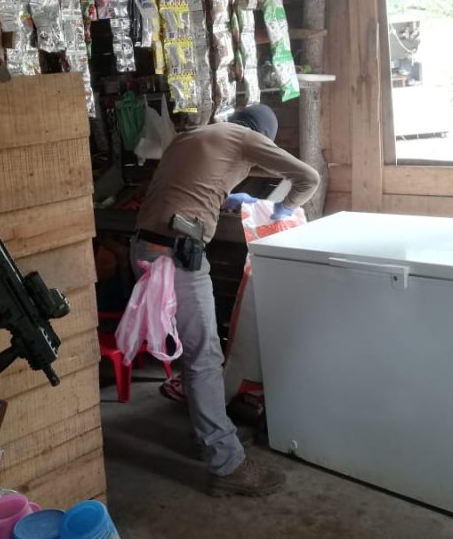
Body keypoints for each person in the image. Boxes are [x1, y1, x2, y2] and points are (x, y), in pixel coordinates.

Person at [132, 103, 320, 497]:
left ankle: (211, 435)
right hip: (176, 256)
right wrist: (285, 207)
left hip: (145, 248)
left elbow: (193, 185)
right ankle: (227, 464)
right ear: (261, 135)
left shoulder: (193, 135)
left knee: (194, 353)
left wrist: (230, 199)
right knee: (205, 357)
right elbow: (307, 177)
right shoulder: (245, 138)